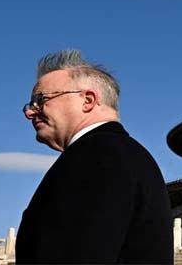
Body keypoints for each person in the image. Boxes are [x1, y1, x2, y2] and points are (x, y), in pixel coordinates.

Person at [16, 49, 173, 264]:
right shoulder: (126, 154)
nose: (30, 112)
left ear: (87, 100)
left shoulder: (96, 155)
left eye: (40, 100)